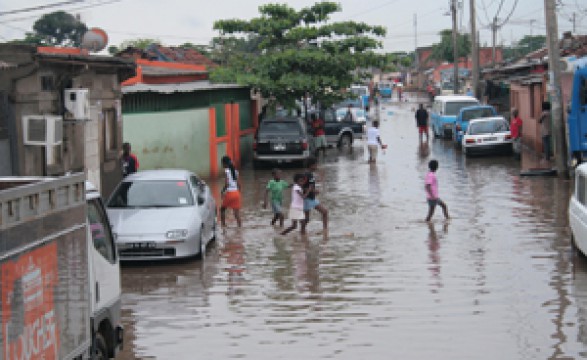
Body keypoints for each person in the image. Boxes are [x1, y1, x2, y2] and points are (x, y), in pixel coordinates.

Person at [301, 157, 328, 234]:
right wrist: (313, 190)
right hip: (307, 199)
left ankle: (325, 230)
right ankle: (302, 232)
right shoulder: (307, 174)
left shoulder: (309, 174)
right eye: (315, 165)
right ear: (311, 165)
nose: (316, 166)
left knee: (325, 212)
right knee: (306, 219)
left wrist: (321, 178)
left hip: (312, 198)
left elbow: (311, 183)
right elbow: (303, 187)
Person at [220, 155, 242, 227]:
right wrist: (238, 193)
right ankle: (240, 227)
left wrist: (222, 191)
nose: (222, 165)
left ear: (225, 164)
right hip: (236, 193)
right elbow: (239, 184)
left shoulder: (226, 171)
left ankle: (223, 225)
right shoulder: (236, 171)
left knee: (222, 209)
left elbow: (227, 184)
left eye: (222, 163)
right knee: (236, 213)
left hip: (230, 193)